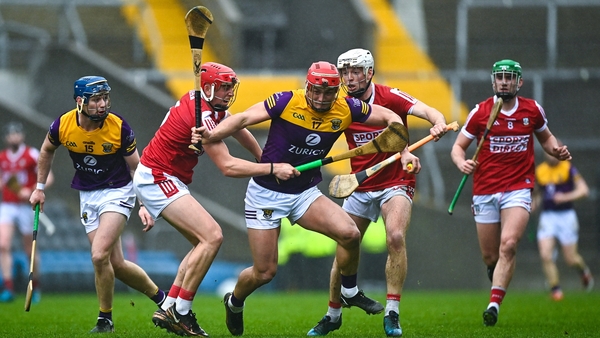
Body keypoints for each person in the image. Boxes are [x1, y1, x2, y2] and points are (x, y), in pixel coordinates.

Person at [196, 60, 420, 336]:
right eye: (316, 91)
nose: (322, 98)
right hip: (267, 194)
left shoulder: (347, 108)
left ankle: (349, 291)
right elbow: (242, 119)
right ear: (307, 86)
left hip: (304, 193)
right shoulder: (286, 101)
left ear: (337, 91)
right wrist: (210, 135)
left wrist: (402, 144)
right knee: (264, 272)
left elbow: (391, 117)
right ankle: (235, 301)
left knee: (350, 234)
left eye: (328, 93)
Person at [134, 62, 298, 337]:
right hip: (157, 177)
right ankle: (182, 312)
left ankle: (171, 305)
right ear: (208, 86)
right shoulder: (202, 117)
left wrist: (261, 156)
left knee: (202, 242)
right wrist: (272, 168)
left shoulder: (204, 103)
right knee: (212, 236)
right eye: (223, 87)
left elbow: (237, 127)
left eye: (230, 87)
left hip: (162, 176)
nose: (228, 92)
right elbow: (227, 166)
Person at [305, 49, 449, 337]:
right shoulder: (341, 104)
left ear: (369, 72)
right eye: (345, 72)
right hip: (360, 184)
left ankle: (392, 313)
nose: (349, 77)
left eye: (355, 71)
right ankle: (333, 314)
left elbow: (427, 111)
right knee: (344, 250)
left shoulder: (390, 96)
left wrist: (438, 122)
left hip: (396, 181)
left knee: (395, 236)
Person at [29, 76, 167, 333]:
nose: (102, 104)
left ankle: (105, 319)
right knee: (117, 264)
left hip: (118, 192)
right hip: (88, 195)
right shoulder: (63, 124)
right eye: (96, 100)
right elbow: (47, 150)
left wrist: (144, 204)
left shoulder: (119, 127)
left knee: (98, 254)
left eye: (104, 98)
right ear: (80, 102)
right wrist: (39, 189)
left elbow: (137, 167)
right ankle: (165, 300)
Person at [450, 59, 572, 327]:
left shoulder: (532, 110)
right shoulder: (480, 112)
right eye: (500, 77)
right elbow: (458, 147)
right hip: (484, 190)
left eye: (509, 77)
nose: (504, 81)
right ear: (494, 81)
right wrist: (462, 162)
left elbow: (546, 138)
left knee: (509, 245)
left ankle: (493, 304)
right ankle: (498, 276)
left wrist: (556, 151)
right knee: (491, 256)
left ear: (519, 82)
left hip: (518, 187)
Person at [0, 122, 54, 303]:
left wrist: (31, 189)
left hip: (26, 206)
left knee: (29, 250)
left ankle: (35, 286)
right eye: (10, 134)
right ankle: (8, 287)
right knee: (3, 245)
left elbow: (49, 177)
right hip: (8, 205)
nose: (14, 137)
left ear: (22, 136)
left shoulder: (31, 154)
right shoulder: (2, 158)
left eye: (17, 134)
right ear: (6, 138)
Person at [533, 148, 594, 301]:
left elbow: (584, 190)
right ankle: (556, 290)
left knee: (570, 258)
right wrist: (533, 205)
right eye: (548, 151)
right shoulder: (540, 171)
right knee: (545, 254)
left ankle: (583, 272)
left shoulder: (568, 168)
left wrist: (565, 197)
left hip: (566, 216)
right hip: (548, 217)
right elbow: (538, 194)